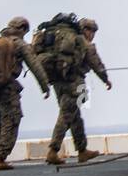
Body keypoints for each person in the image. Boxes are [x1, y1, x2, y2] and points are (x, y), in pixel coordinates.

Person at [0, 16, 50, 171]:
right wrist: (45, 86)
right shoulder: (19, 44)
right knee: (11, 119)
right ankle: (0, 157)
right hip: (7, 88)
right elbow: (35, 66)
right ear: (22, 29)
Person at [40, 14, 111, 165]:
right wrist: (105, 79)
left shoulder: (59, 38)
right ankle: (53, 150)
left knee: (75, 116)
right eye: (91, 31)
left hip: (57, 81)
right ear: (85, 29)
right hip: (76, 83)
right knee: (67, 116)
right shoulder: (81, 41)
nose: (92, 35)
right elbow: (95, 62)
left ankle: (82, 150)